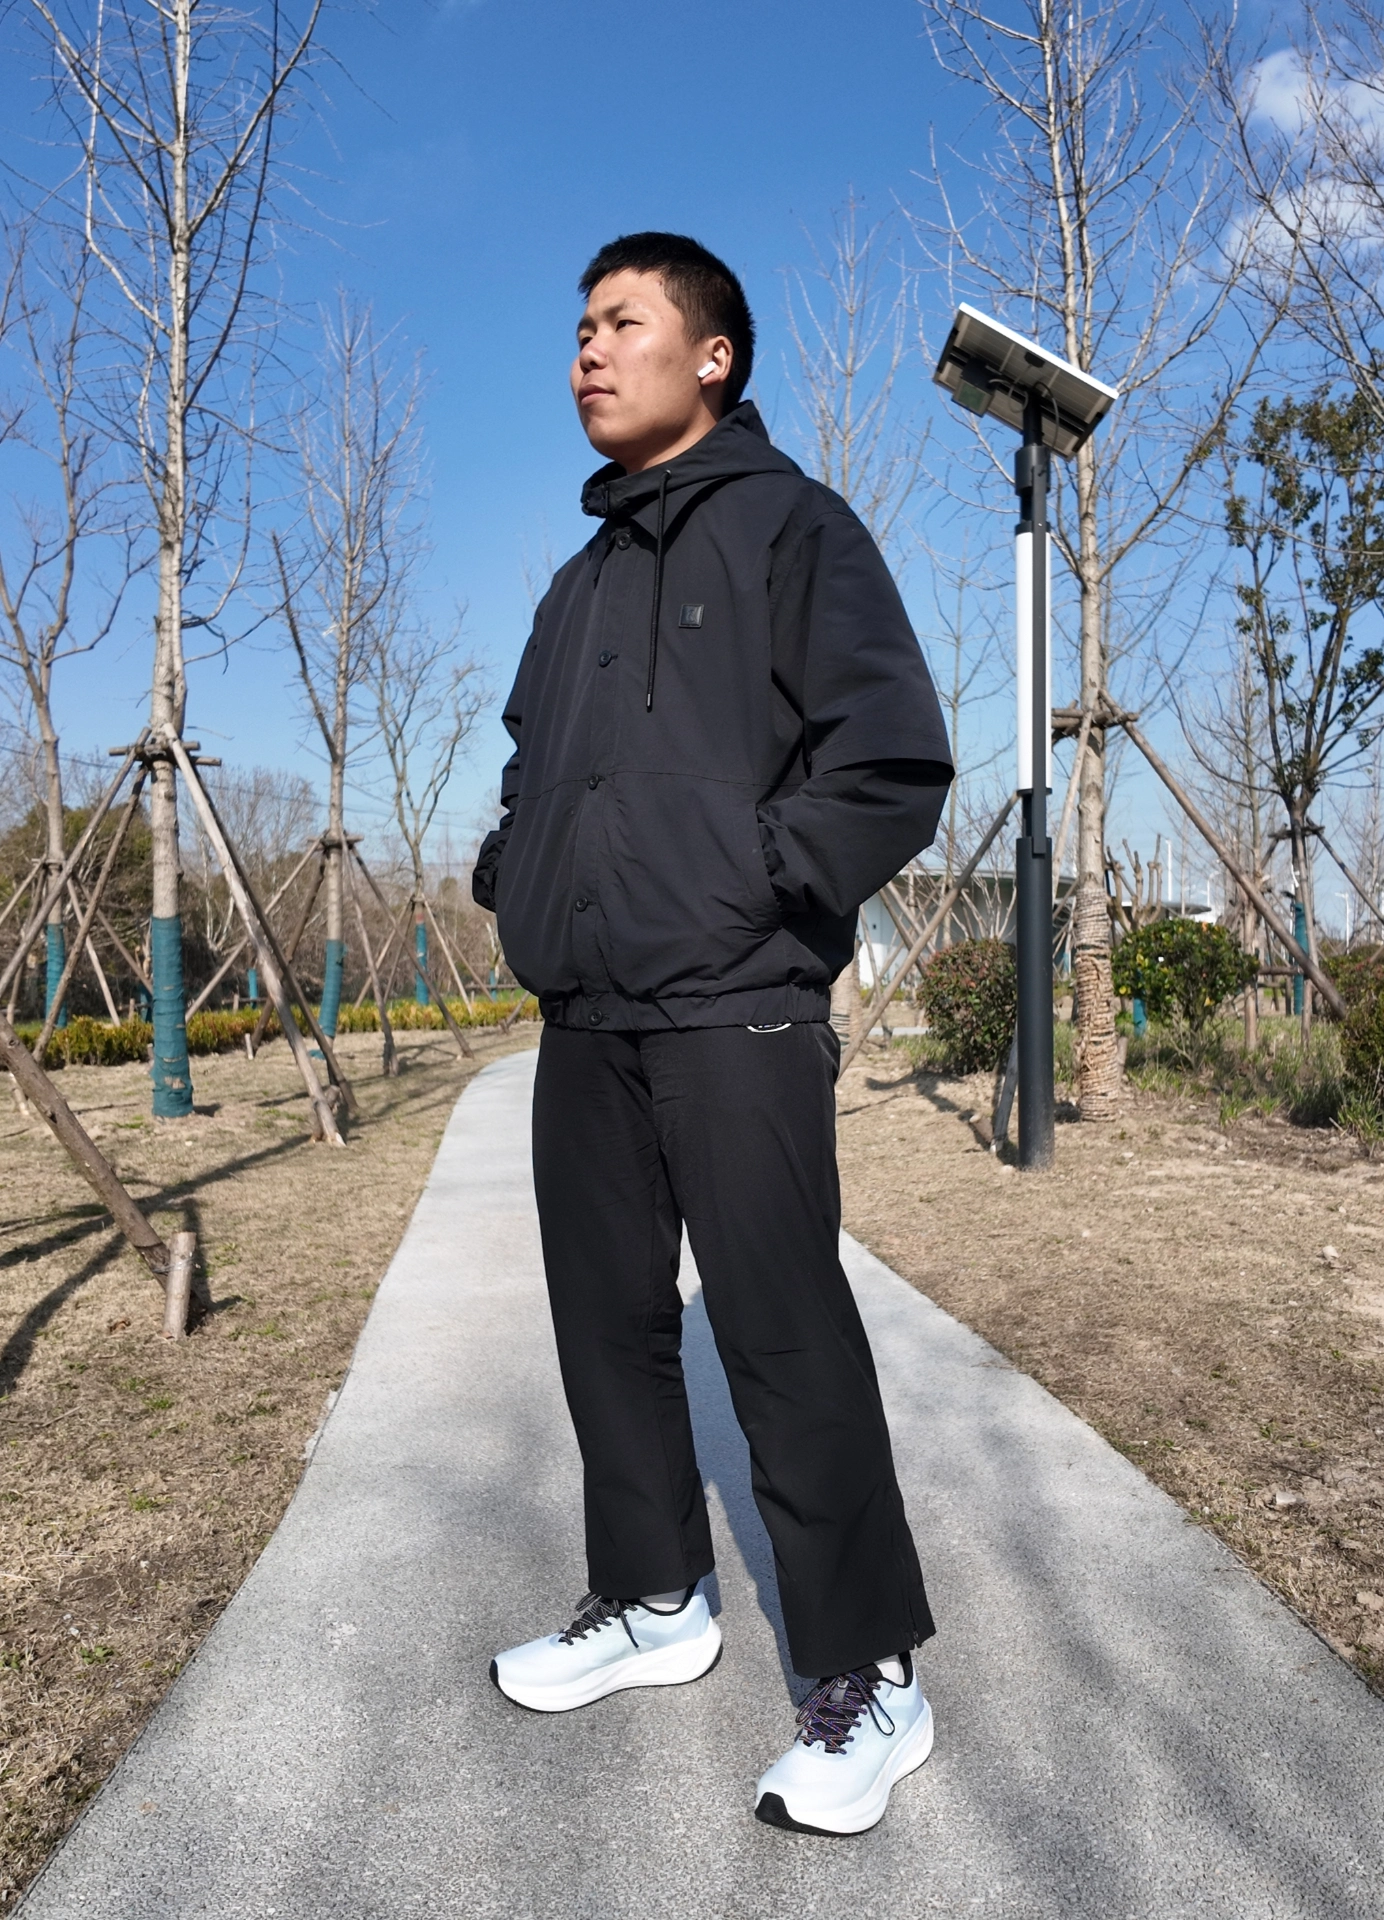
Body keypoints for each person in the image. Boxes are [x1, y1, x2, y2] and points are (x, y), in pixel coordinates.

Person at [473, 231, 953, 1837]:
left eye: (621, 322)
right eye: (580, 326)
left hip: (739, 1003)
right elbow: (531, 772)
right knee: (606, 1325)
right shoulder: (577, 583)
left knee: (780, 1332)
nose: (587, 351)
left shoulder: (797, 529)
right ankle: (655, 1598)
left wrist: (751, 883)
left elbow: (890, 759)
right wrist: (516, 877)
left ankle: (869, 1674)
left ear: (713, 354)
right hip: (585, 1013)